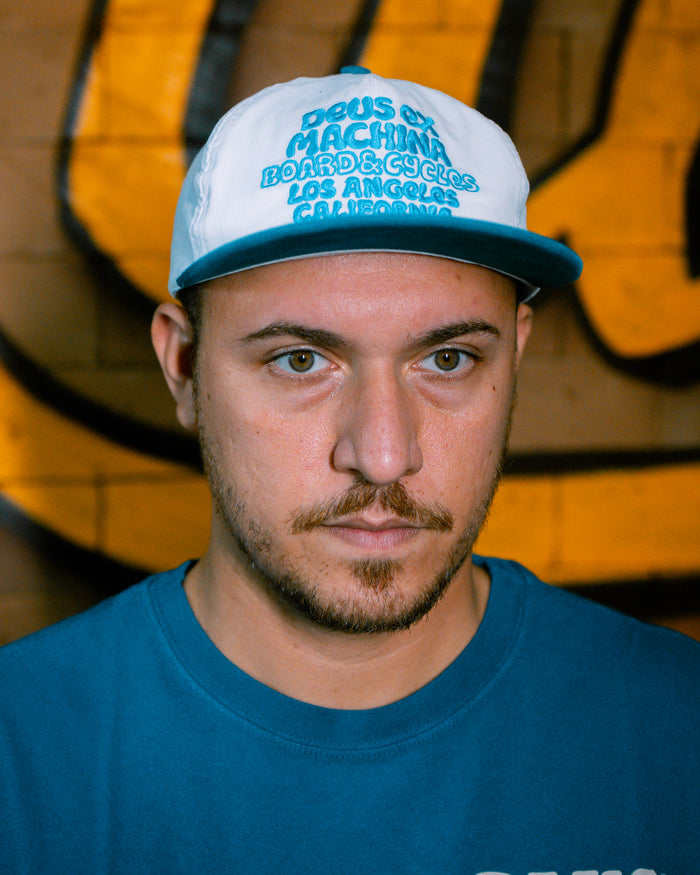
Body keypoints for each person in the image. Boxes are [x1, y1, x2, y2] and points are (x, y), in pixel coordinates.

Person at [1, 68, 698, 874]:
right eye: (301, 360)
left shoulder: (676, 724)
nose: (384, 453)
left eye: (447, 358)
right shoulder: (23, 747)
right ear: (183, 367)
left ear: (517, 355)